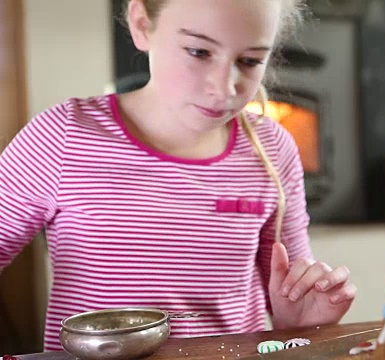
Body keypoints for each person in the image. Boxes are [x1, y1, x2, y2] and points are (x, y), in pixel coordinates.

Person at [0, 0, 357, 352]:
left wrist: (303, 321)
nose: (225, 87)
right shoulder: (63, 136)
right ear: (142, 24)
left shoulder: (272, 148)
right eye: (199, 52)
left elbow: (288, 299)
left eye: (249, 61)